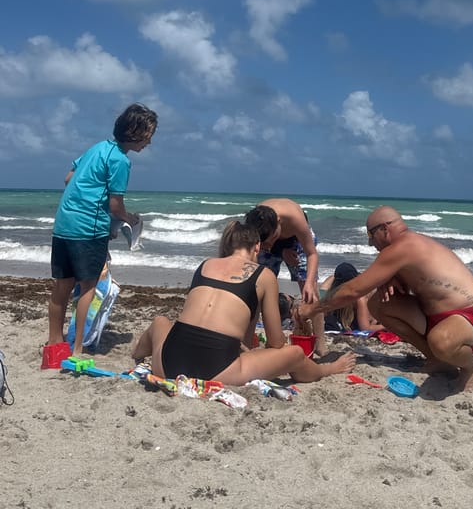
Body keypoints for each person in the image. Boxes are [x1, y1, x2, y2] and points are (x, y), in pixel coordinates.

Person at [298, 206, 473, 392]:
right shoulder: (407, 247)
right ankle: (437, 358)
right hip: (440, 318)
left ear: (384, 229)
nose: (370, 243)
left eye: (370, 235)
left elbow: (353, 290)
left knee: (442, 341)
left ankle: (470, 366)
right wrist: (389, 278)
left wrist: (311, 309)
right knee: (378, 304)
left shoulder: (404, 246)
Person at [132, 221, 355, 385]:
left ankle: (136, 356)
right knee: (294, 353)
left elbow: (201, 322)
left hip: (168, 363)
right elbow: (276, 343)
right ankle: (327, 370)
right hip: (215, 371)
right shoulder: (263, 274)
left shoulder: (205, 264)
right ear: (256, 246)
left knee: (161, 321)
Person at [47, 103, 158, 356]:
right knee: (88, 286)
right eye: (148, 136)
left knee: (61, 286)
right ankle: (77, 349)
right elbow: (115, 205)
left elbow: (68, 179)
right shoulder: (120, 160)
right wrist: (130, 219)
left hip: (64, 224)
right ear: (135, 132)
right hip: (88, 229)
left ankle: (54, 345)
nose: (149, 143)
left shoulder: (97, 148)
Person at [244, 199, 327, 355]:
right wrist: (279, 251)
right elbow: (258, 249)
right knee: (256, 290)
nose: (268, 244)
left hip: (297, 241)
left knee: (311, 294)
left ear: (278, 222)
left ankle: (320, 345)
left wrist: (309, 283)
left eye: (271, 239)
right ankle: (248, 341)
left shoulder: (295, 218)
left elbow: (312, 254)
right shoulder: (258, 219)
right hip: (274, 243)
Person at [320, 263, 384, 333]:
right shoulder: (359, 298)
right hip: (348, 323)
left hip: (341, 320)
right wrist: (386, 327)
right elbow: (365, 328)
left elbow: (329, 280)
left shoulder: (330, 292)